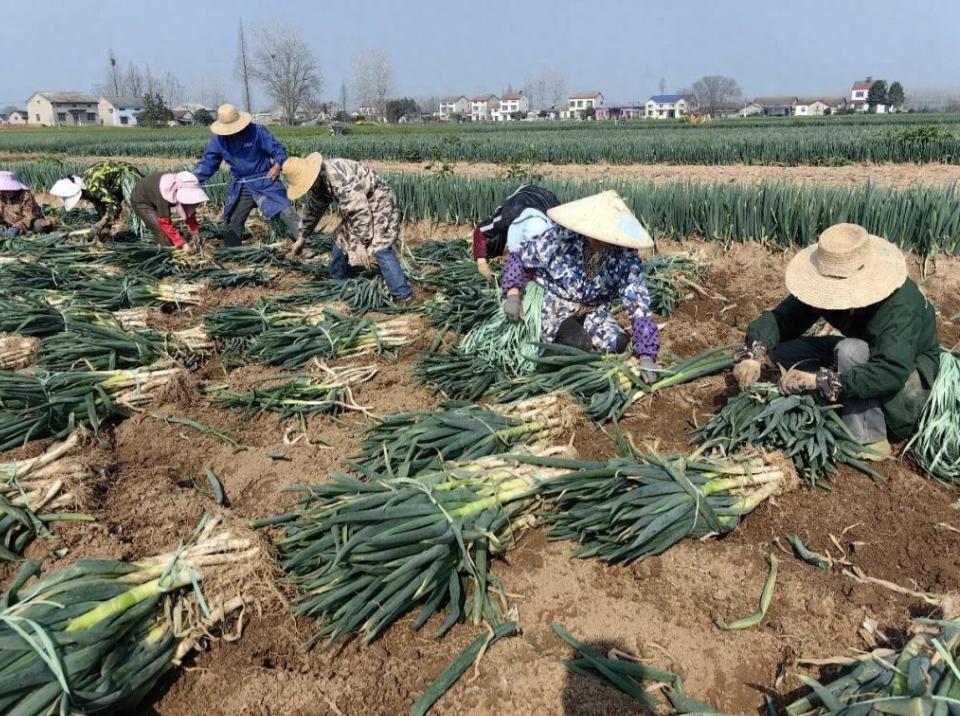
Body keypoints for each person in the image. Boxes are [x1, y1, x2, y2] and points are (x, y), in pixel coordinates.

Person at [733, 223, 941, 457]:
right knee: (783, 353)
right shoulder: (826, 285)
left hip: (905, 381)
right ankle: (833, 399)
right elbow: (782, 319)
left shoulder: (900, 305)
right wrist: (754, 354)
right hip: (867, 354)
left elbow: (890, 370)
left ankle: (869, 438)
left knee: (849, 350)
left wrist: (820, 381)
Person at [500, 190, 660, 382]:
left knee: (617, 343)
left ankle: (575, 339)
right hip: (554, 306)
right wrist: (513, 295)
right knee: (575, 344)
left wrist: (646, 354)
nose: (600, 240)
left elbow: (638, 299)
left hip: (592, 311)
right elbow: (519, 258)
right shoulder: (560, 239)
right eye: (595, 234)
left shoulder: (624, 255)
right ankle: (540, 373)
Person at [283, 152, 413, 301]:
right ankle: (340, 282)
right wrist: (302, 236)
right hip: (359, 206)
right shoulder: (318, 183)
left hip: (378, 200)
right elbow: (313, 209)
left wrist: (359, 243)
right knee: (340, 239)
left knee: (380, 246)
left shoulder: (337, 178)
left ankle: (402, 294)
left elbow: (360, 211)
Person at [194, 104, 300, 247]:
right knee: (235, 219)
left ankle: (305, 243)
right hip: (242, 185)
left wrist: (277, 165)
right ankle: (231, 252)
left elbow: (277, 149)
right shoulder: (219, 141)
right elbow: (208, 163)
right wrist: (194, 179)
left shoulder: (256, 131)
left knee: (286, 212)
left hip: (266, 180)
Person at [472, 185, 559, 279]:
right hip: (520, 197)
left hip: (546, 200)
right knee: (500, 242)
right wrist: (481, 261)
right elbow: (480, 231)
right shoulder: (507, 215)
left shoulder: (557, 218)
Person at [48, 161, 143, 239]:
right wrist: (106, 227)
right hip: (115, 185)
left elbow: (114, 206)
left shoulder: (93, 185)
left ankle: (147, 236)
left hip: (127, 176)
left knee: (141, 210)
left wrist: (100, 225)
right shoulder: (83, 186)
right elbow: (100, 204)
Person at [129, 171, 208, 249]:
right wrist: (181, 243)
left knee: (168, 233)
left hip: (153, 194)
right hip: (141, 201)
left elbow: (189, 212)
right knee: (161, 231)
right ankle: (167, 256)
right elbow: (164, 222)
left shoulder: (182, 185)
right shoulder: (165, 192)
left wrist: (195, 232)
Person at [0, 171, 56, 237]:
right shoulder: (1, 196)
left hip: (28, 222)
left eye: (8, 190)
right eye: (3, 190)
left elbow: (29, 216)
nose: (5, 192)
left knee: (39, 226)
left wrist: (17, 227)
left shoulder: (25, 195)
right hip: (9, 223)